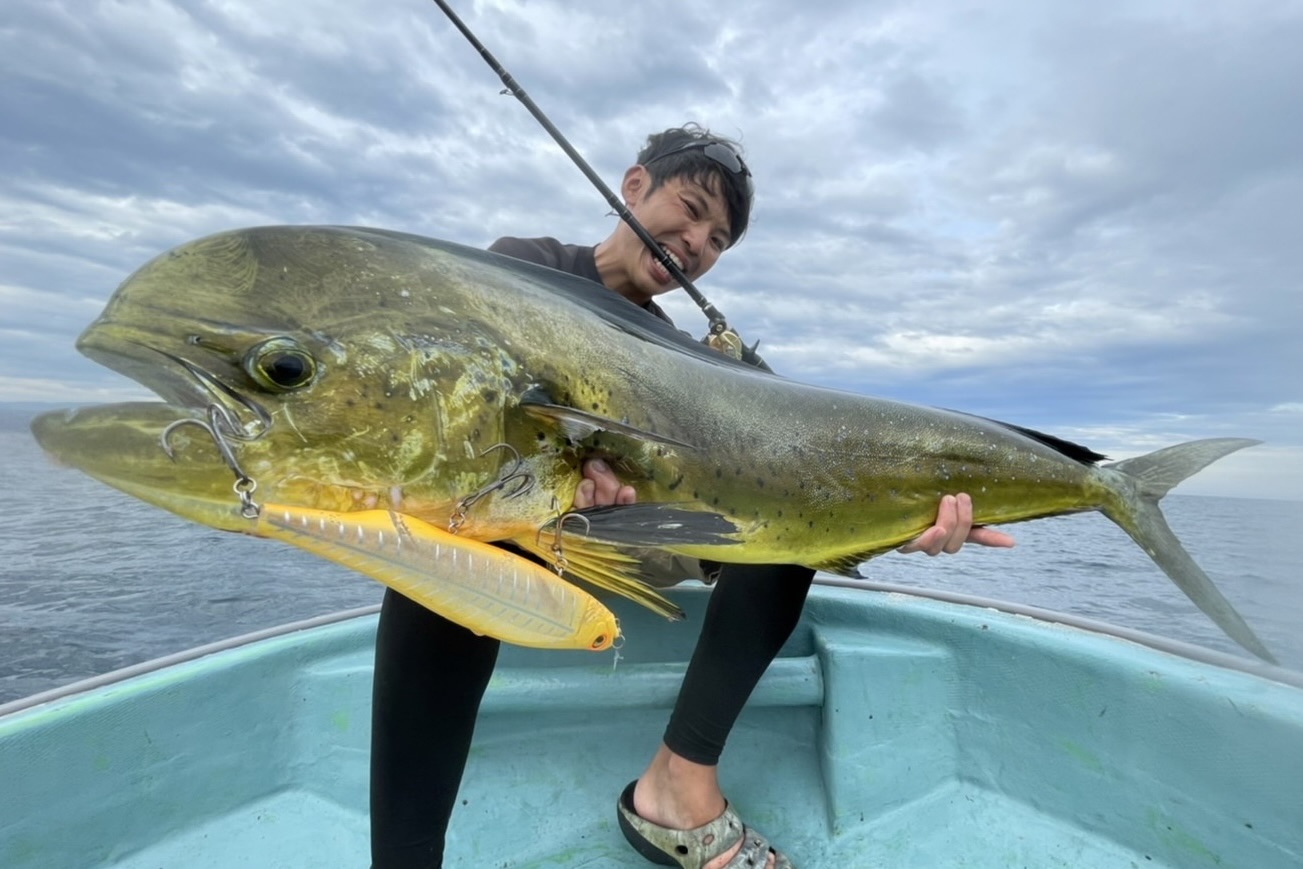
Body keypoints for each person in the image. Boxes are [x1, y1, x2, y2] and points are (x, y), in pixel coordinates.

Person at [369, 125, 1016, 869]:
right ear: (633, 185)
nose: (699, 242)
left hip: (632, 527)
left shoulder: (684, 352)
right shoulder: (524, 266)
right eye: (691, 208)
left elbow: (792, 466)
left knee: (787, 523)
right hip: (523, 525)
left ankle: (676, 783)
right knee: (443, 558)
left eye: (718, 239)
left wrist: (888, 520)